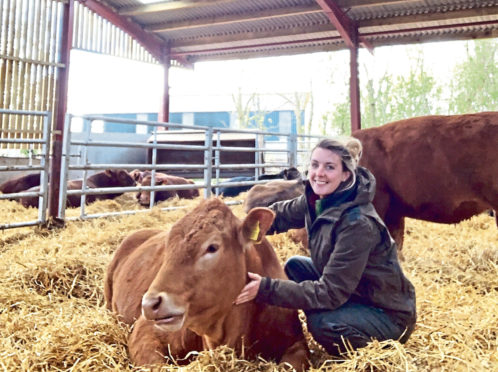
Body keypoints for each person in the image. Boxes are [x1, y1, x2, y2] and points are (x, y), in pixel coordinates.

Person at [235, 137, 416, 356]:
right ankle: (340, 315)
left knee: (323, 324)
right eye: (315, 164)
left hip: (384, 312)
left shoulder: (357, 224)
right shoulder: (317, 201)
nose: (319, 173)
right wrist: (240, 228)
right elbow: (278, 216)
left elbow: (330, 292)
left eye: (329, 167)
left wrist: (266, 289)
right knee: (294, 266)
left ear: (346, 174)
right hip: (354, 291)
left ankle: (371, 350)